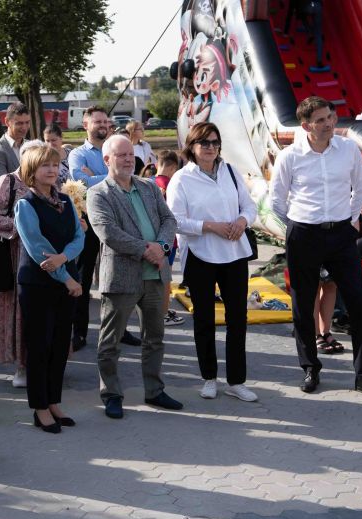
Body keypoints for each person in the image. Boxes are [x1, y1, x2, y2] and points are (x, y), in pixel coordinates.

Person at [270, 96, 362, 400]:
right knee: (302, 305)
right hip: (304, 235)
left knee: (359, 304)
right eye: (321, 120)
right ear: (306, 125)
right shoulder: (289, 156)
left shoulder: (348, 149)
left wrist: (349, 220)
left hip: (341, 234)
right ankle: (310, 367)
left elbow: (361, 188)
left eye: (331, 117)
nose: (329, 124)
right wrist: (299, 227)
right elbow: (277, 201)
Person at [87, 135, 181, 419]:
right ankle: (112, 394)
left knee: (155, 337)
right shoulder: (98, 193)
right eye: (121, 155)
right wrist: (147, 250)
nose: (129, 159)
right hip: (121, 277)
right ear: (107, 160)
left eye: (131, 154)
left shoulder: (149, 188)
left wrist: (163, 247)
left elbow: (169, 220)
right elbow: (108, 233)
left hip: (155, 275)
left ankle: (154, 390)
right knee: (110, 341)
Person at [167, 122, 259, 402]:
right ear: (192, 147)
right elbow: (174, 220)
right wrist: (208, 226)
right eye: (204, 142)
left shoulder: (230, 172)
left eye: (215, 142)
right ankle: (209, 377)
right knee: (204, 319)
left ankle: (236, 380)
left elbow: (250, 205)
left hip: (234, 255)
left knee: (237, 319)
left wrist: (243, 221)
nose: (210, 147)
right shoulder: (181, 179)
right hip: (201, 256)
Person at [14, 145, 84, 433]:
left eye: (55, 165)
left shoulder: (66, 201)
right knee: (40, 347)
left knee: (58, 346)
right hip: (38, 286)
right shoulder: (25, 204)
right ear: (32, 171)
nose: (52, 170)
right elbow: (37, 247)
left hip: (66, 282)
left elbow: (79, 236)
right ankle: (40, 407)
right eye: (45, 165)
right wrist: (66, 277)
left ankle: (54, 401)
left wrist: (65, 260)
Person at [70, 106, 141, 351]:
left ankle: (119, 330)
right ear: (86, 125)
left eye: (105, 121)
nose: (103, 124)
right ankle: (78, 332)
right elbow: (80, 183)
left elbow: (129, 176)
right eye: (97, 121)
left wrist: (98, 176)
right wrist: (113, 174)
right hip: (89, 223)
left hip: (120, 221)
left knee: (118, 277)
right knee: (83, 275)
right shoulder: (77, 154)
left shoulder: (118, 148)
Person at [0, 144, 39, 388]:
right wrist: (24, 227)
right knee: (19, 311)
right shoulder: (8, 181)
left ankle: (44, 362)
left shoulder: (48, 182)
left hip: (48, 257)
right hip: (16, 257)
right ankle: (22, 366)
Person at [153, 149, 185, 327]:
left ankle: (159, 310)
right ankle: (163, 313)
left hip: (153, 238)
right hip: (168, 241)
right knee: (165, 279)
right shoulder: (170, 184)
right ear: (173, 167)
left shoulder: (149, 182)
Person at [0, 102, 30, 186]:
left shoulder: (33, 147)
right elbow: (1, 189)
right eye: (19, 123)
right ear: (7, 122)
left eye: (27, 122)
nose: (24, 127)